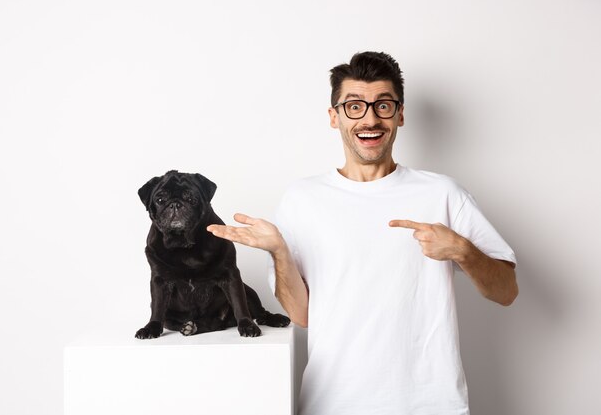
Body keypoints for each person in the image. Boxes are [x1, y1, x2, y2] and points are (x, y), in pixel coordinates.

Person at [207, 51, 518, 415]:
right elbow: (304, 316)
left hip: (431, 405)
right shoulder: (303, 199)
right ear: (334, 116)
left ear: (400, 114)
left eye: (383, 105)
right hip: (334, 404)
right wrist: (279, 251)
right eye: (354, 106)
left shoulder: (443, 194)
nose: (370, 118)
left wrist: (464, 250)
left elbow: (507, 292)